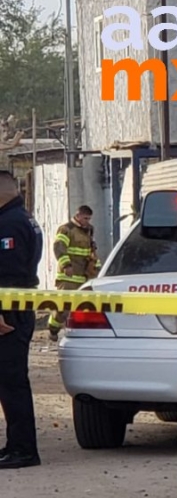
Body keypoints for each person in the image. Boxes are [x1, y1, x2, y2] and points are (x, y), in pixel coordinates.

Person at [0, 171, 44, 469]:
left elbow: (9, 275)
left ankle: (24, 450)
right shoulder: (21, 217)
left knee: (12, 381)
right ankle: (15, 445)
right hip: (16, 309)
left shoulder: (10, 223)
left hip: (9, 313)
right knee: (9, 381)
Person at [48, 205, 100, 341]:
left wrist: (97, 267)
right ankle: (53, 329)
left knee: (86, 306)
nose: (87, 221)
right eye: (85, 218)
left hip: (85, 275)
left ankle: (82, 332)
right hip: (68, 276)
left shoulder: (89, 230)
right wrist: (66, 265)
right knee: (63, 308)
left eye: (89, 219)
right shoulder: (66, 229)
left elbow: (92, 250)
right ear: (78, 216)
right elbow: (59, 247)